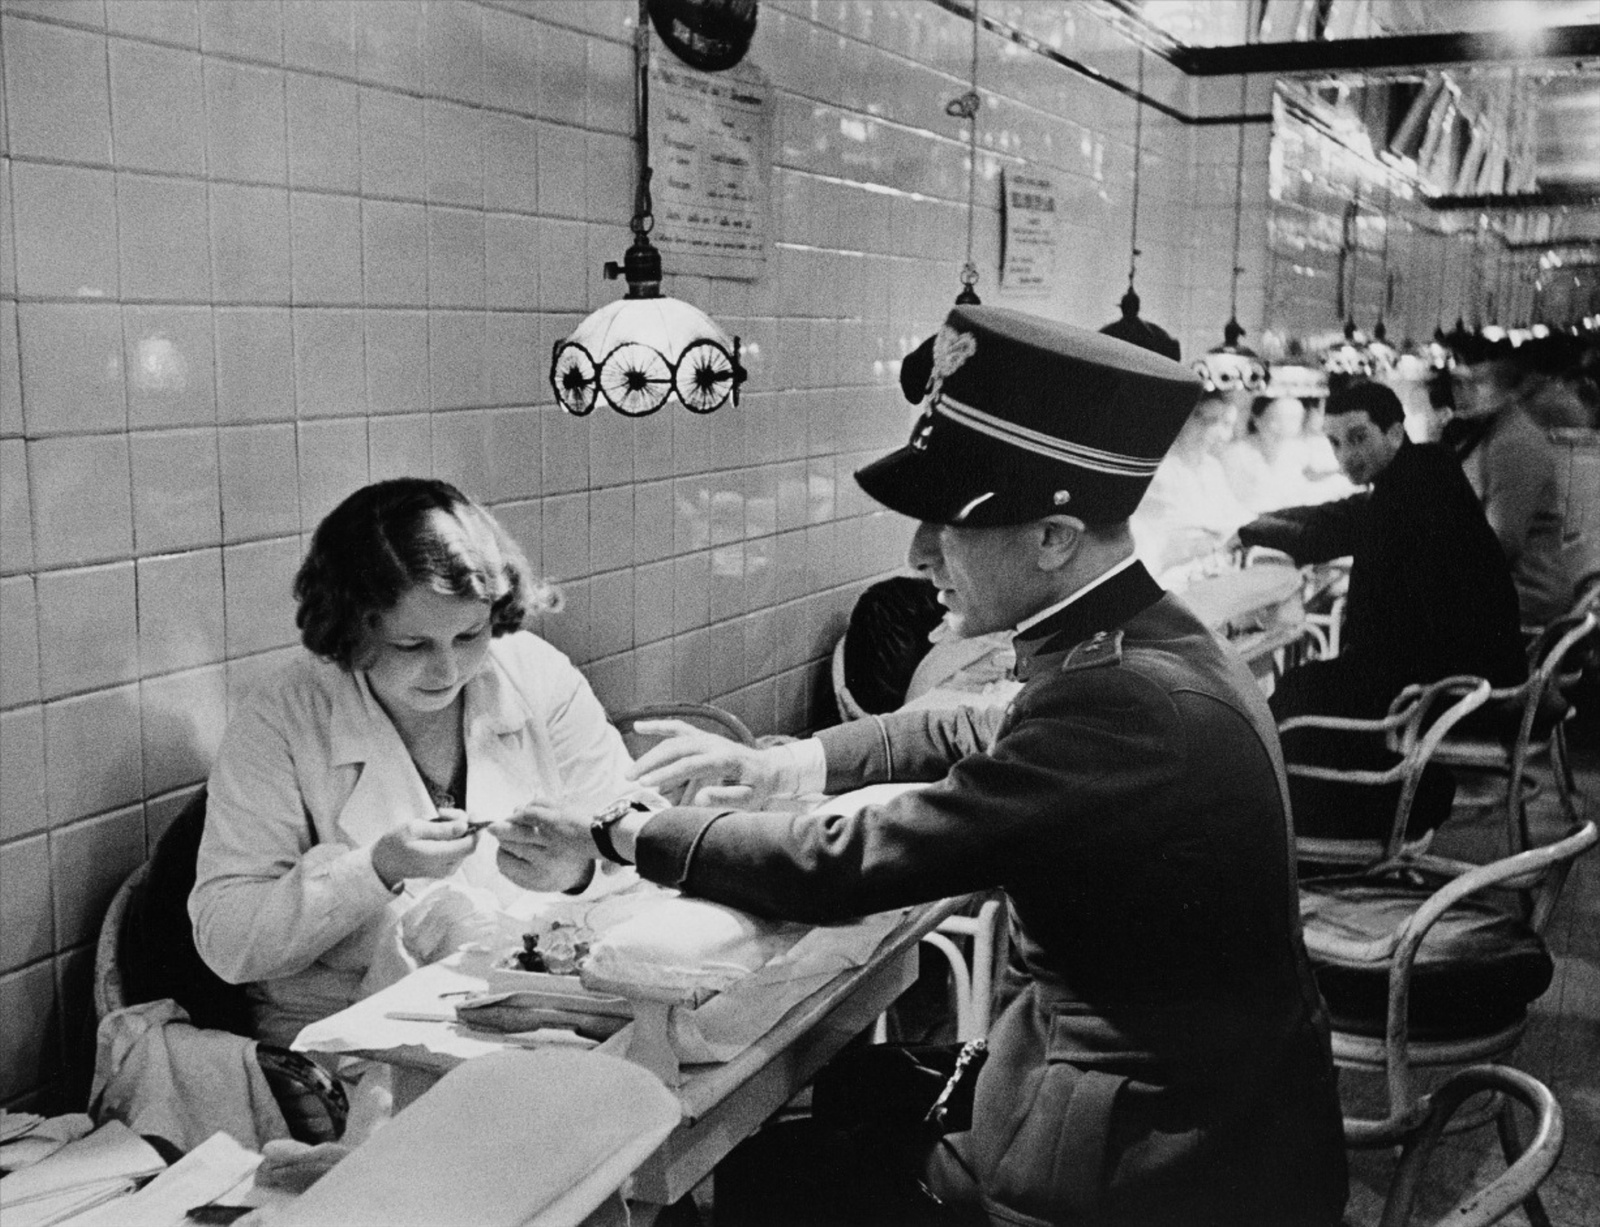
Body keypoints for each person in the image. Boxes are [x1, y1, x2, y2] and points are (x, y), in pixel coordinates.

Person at [495, 307, 1349, 1227]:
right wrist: (790, 764)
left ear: (1054, 535)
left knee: (760, 1171)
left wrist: (622, 831)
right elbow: (974, 728)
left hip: (1158, 1162)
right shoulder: (1143, 641)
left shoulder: (1126, 700)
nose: (917, 555)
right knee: (846, 1093)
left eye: (948, 525)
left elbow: (851, 862)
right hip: (1197, 1104)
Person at [191, 478, 637, 1048]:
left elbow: (637, 832)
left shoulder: (533, 674)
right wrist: (373, 870)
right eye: (412, 646)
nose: (447, 670)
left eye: (470, 634)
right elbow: (228, 940)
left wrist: (579, 871)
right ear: (351, 626)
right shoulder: (281, 719)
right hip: (351, 1035)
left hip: (528, 1002)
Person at [1235, 379, 1526, 842]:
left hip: (1451, 682)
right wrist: (1258, 523)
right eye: (1334, 442)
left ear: (1394, 432)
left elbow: (1330, 532)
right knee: (1304, 690)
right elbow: (1344, 513)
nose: (1346, 455)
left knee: (1292, 699)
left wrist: (1248, 532)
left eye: (1358, 437)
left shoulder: (1412, 488)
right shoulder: (1425, 468)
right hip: (1468, 665)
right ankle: (1309, 820)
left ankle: (1318, 829)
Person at [1446, 336, 1581, 628]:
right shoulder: (1492, 430)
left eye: (1476, 382)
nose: (1462, 394)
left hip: (1523, 597)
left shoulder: (1512, 442)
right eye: (1457, 383)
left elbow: (1501, 544)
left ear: (1503, 384)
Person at [1129, 389, 1253, 582]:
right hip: (1163, 567)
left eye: (1226, 424)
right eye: (1208, 421)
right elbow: (1176, 528)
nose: (1219, 432)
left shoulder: (1211, 467)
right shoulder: (1162, 469)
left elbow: (1233, 512)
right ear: (1184, 420)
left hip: (1205, 564)